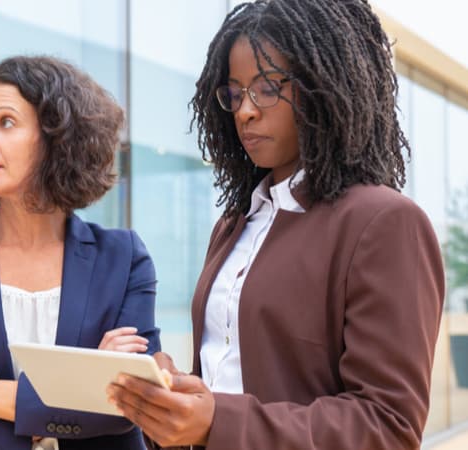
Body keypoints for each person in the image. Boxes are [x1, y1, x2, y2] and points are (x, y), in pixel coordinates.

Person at [107, 0, 445, 449]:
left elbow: (387, 426)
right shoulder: (235, 225)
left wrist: (216, 421)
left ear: (324, 87)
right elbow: (232, 386)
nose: (245, 110)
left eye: (267, 88)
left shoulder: (383, 223)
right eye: (234, 92)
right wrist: (173, 396)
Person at [0, 55, 160, 450]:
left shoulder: (124, 260)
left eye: (5, 122)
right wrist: (79, 391)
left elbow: (130, 407)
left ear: (57, 136)